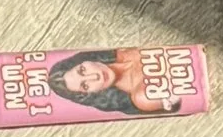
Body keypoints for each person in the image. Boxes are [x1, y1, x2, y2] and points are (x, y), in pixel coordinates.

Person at [47, 48, 187, 117]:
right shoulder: (142, 98)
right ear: (90, 94)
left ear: (85, 60)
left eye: (82, 70)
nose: (95, 77)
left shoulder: (125, 51)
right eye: (85, 85)